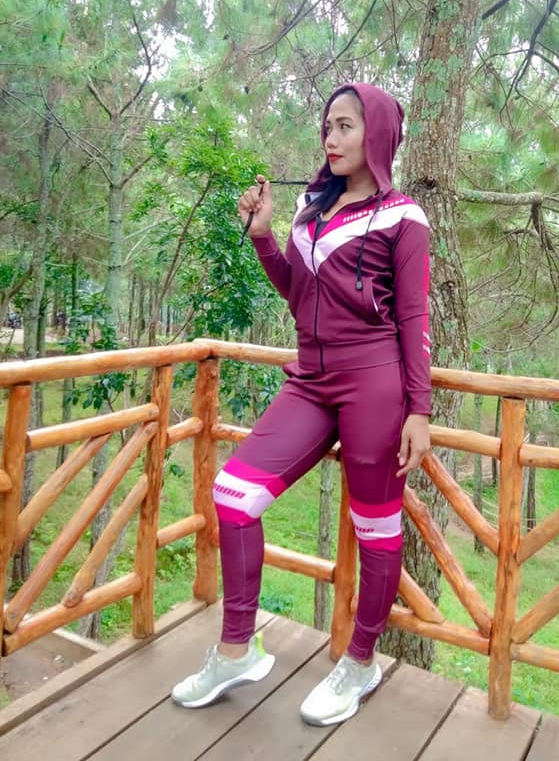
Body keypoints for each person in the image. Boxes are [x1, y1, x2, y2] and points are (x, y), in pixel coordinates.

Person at [171, 83, 432, 725]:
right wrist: (264, 236)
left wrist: (419, 410)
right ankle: (238, 650)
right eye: (327, 126)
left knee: (376, 528)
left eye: (345, 126)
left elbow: (413, 317)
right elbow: (297, 293)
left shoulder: (404, 218)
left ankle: (360, 662)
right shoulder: (310, 212)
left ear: (376, 134)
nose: (331, 138)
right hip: (310, 379)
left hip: (375, 384)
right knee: (234, 496)